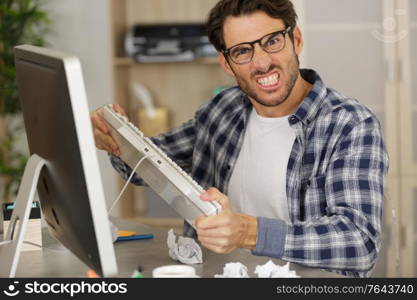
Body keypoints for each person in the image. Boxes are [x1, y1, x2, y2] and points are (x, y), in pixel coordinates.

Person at [91, 0, 389, 277]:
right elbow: (151, 166)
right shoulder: (224, 108)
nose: (261, 63)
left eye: (272, 41)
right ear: (226, 63)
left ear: (296, 39)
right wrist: (116, 139)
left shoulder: (350, 125)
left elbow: (359, 243)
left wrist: (248, 231)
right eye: (242, 51)